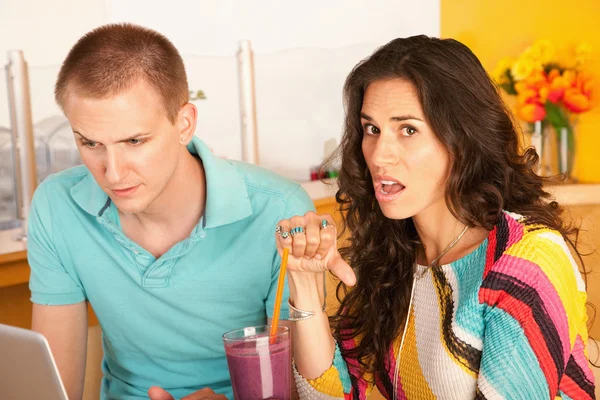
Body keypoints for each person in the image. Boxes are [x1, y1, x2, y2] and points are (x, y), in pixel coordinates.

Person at [276, 35, 596, 399]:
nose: (380, 156)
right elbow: (330, 396)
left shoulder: (524, 261)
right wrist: (304, 284)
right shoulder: (393, 256)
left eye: (408, 130)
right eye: (372, 129)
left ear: (460, 140)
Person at [27, 23, 314, 400]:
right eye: (90, 143)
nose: (112, 173)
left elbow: (308, 390)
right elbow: (49, 391)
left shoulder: (280, 211)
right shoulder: (56, 207)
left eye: (134, 141)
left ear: (184, 124)